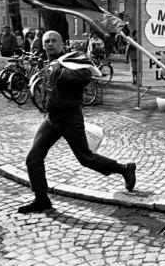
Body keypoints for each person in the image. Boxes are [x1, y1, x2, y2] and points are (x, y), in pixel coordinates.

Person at [18, 31, 136, 214]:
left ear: (62, 43)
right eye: (46, 41)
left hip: (70, 117)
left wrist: (62, 70)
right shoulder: (49, 62)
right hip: (52, 119)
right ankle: (41, 199)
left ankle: (124, 169)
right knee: (33, 158)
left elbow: (85, 76)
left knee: (86, 158)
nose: (50, 44)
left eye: (54, 41)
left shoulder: (72, 58)